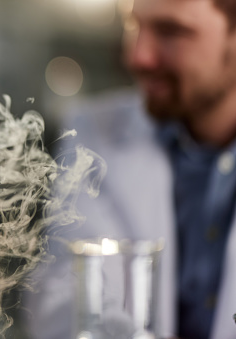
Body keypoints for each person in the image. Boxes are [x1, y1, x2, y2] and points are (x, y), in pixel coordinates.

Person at [25, 0, 236, 338]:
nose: (137, 56)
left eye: (171, 31)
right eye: (133, 25)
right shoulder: (93, 131)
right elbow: (65, 286)